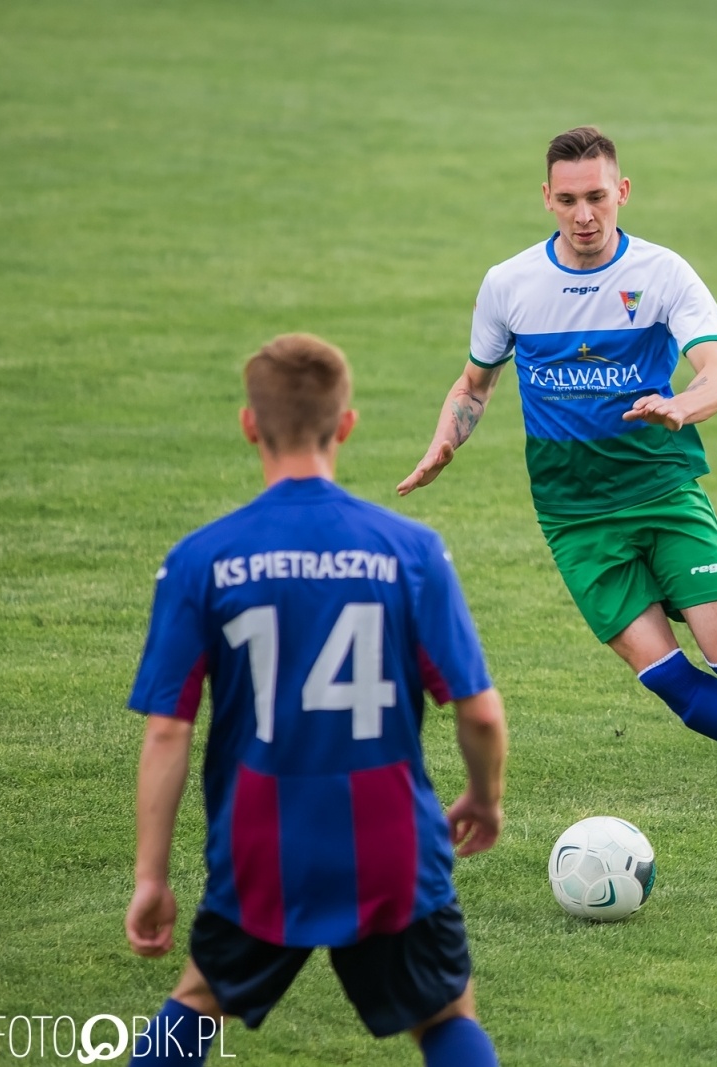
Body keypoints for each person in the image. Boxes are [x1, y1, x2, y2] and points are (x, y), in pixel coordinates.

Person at [397, 126, 717, 813]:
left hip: (659, 488)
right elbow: (474, 384)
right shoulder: (509, 284)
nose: (584, 215)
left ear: (621, 192)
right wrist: (443, 442)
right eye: (568, 199)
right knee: (664, 676)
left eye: (597, 196)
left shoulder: (662, 273)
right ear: (546, 198)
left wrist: (681, 407)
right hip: (572, 514)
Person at [124, 335, 505, 1065]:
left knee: (200, 1001)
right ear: (347, 424)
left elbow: (167, 733)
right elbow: (479, 711)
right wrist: (485, 798)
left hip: (261, 845)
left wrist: (151, 877)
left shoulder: (202, 557)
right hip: (393, 841)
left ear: (248, 424)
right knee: (446, 1011)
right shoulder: (410, 549)